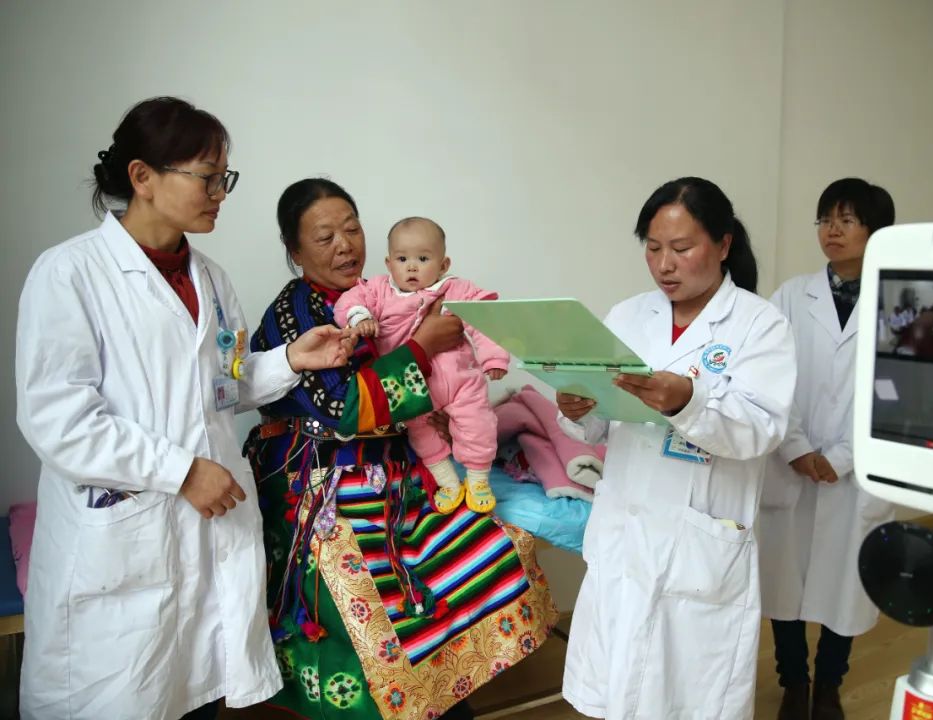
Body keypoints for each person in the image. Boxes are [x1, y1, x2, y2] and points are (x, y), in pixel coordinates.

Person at [14, 97, 355, 720]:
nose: (219, 194)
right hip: (124, 543)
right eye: (207, 177)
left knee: (196, 695)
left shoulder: (211, 279)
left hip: (206, 541)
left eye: (224, 178)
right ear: (143, 177)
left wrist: (292, 359)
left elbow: (223, 384)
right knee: (124, 698)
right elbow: (60, 422)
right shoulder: (69, 274)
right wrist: (182, 471)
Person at [245, 178, 559, 720]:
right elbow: (339, 405)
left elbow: (431, 383)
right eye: (325, 237)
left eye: (352, 229)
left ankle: (448, 702)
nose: (345, 245)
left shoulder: (381, 296)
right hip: (324, 495)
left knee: (487, 555)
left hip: (400, 481)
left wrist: (450, 400)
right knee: (371, 621)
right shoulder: (293, 312)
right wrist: (421, 347)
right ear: (295, 251)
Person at [556, 177, 797, 719]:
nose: (664, 265)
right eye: (653, 247)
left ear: (724, 244)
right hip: (625, 532)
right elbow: (601, 425)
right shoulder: (628, 315)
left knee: (684, 696)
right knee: (615, 687)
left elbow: (761, 428)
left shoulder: (760, 326)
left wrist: (688, 400)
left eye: (682, 248)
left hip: (698, 541)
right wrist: (579, 408)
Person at [758, 177, 896, 720]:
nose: (832, 230)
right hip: (790, 464)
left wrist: (840, 458)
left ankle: (829, 686)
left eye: (847, 220)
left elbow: (896, 394)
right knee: (784, 582)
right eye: (825, 219)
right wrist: (796, 448)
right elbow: (768, 377)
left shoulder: (899, 304)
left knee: (846, 584)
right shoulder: (791, 296)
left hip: (857, 472)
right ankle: (793, 682)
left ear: (875, 231)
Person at [333, 216, 509, 514]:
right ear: (389, 263)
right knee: (421, 434)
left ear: (443, 264)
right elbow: (348, 302)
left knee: (478, 424)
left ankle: (478, 479)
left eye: (423, 259)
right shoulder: (378, 290)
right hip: (412, 384)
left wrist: (494, 357)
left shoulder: (453, 289)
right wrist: (360, 316)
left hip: (460, 379)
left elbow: (485, 317)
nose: (412, 267)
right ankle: (448, 483)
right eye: (402, 259)